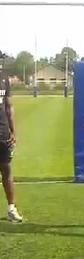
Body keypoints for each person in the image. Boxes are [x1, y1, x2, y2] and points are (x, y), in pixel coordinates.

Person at [0, 54, 23, 223]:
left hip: (2, 133)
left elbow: (9, 106)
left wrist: (13, 131)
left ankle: (11, 209)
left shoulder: (4, 78)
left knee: (6, 170)